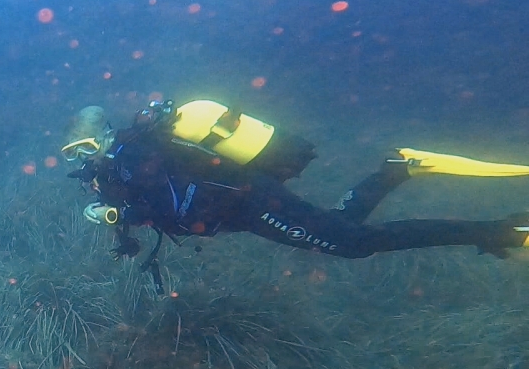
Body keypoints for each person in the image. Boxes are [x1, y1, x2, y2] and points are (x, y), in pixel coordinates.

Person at [63, 99, 529, 289]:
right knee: (344, 231)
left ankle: (499, 232)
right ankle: (394, 170)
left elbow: (167, 203)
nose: (82, 157)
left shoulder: (133, 151)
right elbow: (163, 202)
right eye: (73, 152)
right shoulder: (124, 160)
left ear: (102, 134)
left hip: (251, 201)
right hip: (245, 207)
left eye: (83, 146)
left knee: (353, 244)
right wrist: (120, 212)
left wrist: (120, 212)